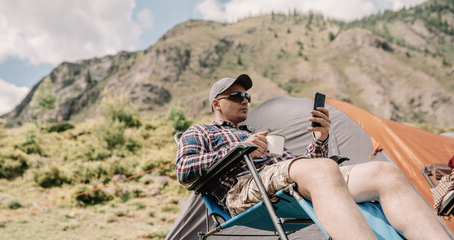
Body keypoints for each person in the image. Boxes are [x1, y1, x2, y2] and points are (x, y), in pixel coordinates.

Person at [175, 74, 450, 239]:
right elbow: (184, 170)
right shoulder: (200, 132)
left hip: (287, 179)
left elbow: (304, 165)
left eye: (246, 95)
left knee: (384, 172)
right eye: (236, 96)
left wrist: (320, 139)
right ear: (216, 104)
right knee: (320, 170)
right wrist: (238, 150)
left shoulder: (259, 133)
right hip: (245, 188)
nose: (245, 100)